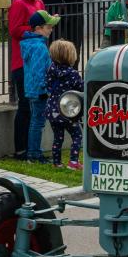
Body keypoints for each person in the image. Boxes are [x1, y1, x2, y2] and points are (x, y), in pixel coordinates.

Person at [9, 0, 48, 159]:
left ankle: (33, 148)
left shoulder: (39, 3)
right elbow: (14, 30)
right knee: (25, 106)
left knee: (35, 106)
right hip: (22, 62)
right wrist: (35, 31)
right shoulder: (19, 3)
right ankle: (21, 149)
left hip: (36, 61)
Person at [20, 10, 60, 163]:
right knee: (38, 123)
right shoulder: (39, 47)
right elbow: (38, 71)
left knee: (35, 121)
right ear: (38, 28)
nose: (51, 30)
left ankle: (34, 152)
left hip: (32, 89)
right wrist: (44, 89)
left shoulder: (31, 44)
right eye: (48, 27)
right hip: (39, 91)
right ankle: (35, 154)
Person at [44, 39, 84, 170]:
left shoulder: (51, 69)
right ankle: (73, 162)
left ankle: (57, 162)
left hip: (53, 110)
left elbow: (48, 85)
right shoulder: (73, 74)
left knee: (58, 137)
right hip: (68, 110)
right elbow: (82, 88)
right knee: (77, 135)